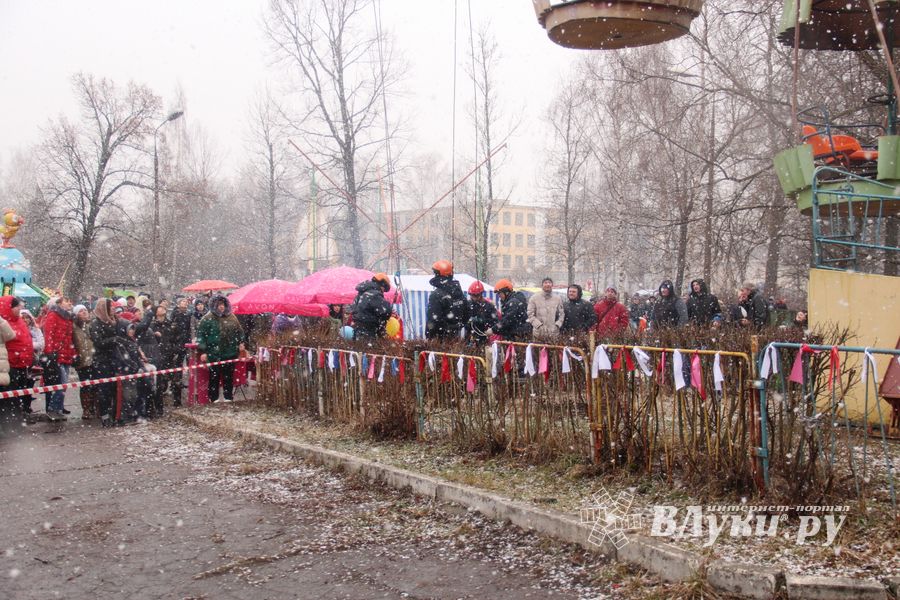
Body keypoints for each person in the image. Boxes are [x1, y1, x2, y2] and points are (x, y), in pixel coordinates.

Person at [196, 295, 245, 403]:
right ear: (214, 305)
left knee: (229, 376)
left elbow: (239, 331)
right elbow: (201, 336)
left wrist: (241, 342)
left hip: (230, 352)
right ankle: (213, 398)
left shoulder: (232, 317)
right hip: (214, 353)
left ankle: (228, 397)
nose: (221, 307)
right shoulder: (207, 318)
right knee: (214, 377)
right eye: (218, 305)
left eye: (223, 304)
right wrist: (203, 351)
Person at [42, 297, 76, 420]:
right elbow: (49, 334)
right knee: (60, 383)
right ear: (59, 304)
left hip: (65, 353)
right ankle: (53, 409)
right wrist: (50, 352)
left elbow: (69, 338)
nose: (69, 303)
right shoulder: (53, 315)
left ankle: (58, 407)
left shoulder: (69, 317)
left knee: (64, 383)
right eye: (66, 301)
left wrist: (72, 353)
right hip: (56, 354)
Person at [90, 299, 122, 427]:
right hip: (102, 360)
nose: (113, 309)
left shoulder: (113, 322)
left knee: (114, 388)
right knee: (104, 389)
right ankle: (104, 415)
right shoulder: (96, 324)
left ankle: (114, 414)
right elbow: (98, 342)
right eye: (110, 307)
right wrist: (113, 340)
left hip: (114, 359)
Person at [0, 297, 32, 415]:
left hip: (22, 364)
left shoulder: (19, 320)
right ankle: (10, 420)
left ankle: (17, 417)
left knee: (19, 394)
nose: (20, 309)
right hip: (9, 365)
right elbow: (10, 337)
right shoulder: (4, 321)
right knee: (9, 396)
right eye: (17, 307)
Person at [425, 260, 470, 340]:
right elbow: (467, 312)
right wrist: (456, 326)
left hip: (439, 339)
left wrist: (429, 337)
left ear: (438, 274)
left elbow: (433, 320)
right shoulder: (458, 291)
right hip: (455, 338)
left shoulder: (436, 295)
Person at [71, 304, 98, 419]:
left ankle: (94, 407)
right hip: (82, 360)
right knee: (85, 385)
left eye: (85, 310)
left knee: (95, 384)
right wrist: (74, 356)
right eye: (81, 311)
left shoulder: (91, 325)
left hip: (93, 359)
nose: (84, 312)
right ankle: (86, 409)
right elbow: (71, 343)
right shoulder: (73, 327)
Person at [347, 273, 392, 339]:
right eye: (384, 289)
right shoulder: (374, 294)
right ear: (382, 285)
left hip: (357, 329)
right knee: (369, 348)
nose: (383, 291)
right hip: (368, 331)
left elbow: (354, 309)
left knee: (358, 348)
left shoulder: (361, 293)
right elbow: (386, 312)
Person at [170, 298, 192, 407]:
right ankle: (176, 389)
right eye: (182, 302)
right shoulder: (175, 314)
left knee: (189, 362)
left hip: (186, 343)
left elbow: (189, 328)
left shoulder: (189, 314)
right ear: (178, 304)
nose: (184, 304)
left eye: (185, 302)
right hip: (177, 344)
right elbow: (173, 330)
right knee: (177, 366)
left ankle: (188, 381)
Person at [465, 281, 498, 345]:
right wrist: (468, 322)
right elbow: (463, 320)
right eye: (471, 295)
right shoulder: (468, 305)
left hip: (484, 338)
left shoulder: (489, 306)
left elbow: (495, 322)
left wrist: (482, 320)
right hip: (469, 338)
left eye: (474, 295)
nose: (473, 297)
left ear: (480, 294)